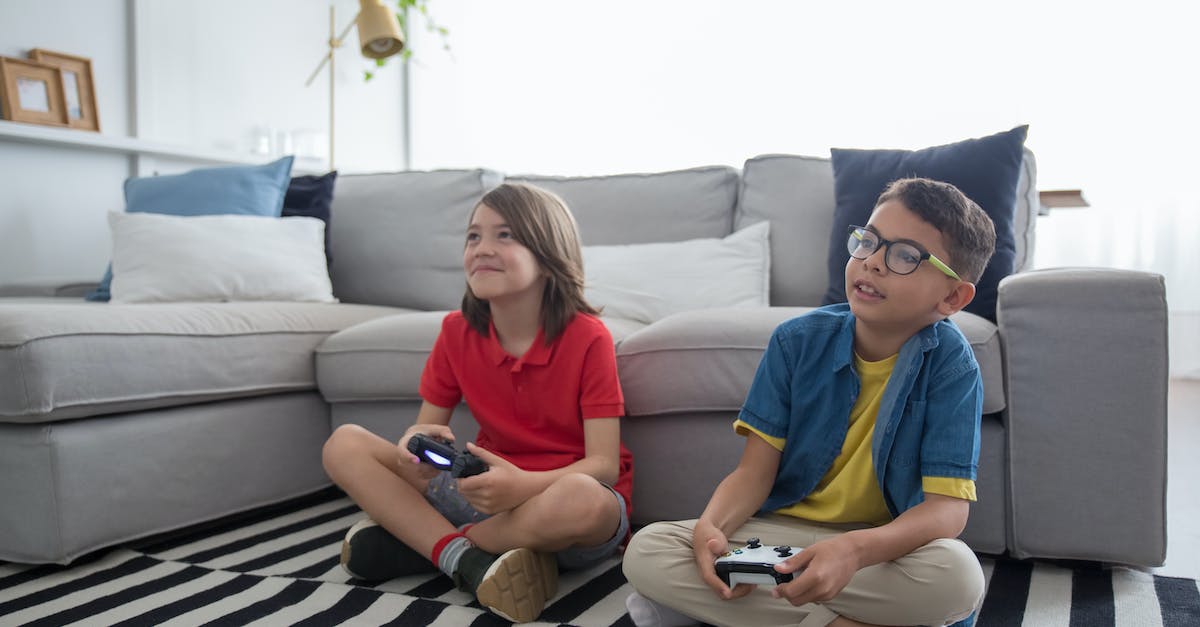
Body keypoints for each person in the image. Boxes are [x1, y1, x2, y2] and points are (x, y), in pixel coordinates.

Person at [622, 177, 995, 627]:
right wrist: (712, 527)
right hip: (783, 534)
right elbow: (753, 473)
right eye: (868, 241)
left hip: (877, 549)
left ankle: (715, 613)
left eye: (905, 256)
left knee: (957, 577)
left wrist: (853, 550)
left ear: (952, 297)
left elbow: (947, 510)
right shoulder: (795, 342)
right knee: (649, 549)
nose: (872, 262)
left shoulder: (952, 366)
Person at [323, 182, 633, 624]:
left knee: (584, 499)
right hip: (481, 491)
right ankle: (467, 559)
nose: (482, 248)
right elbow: (423, 431)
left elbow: (604, 465)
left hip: (559, 505)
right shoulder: (456, 331)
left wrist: (524, 485)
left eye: (505, 235)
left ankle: (435, 545)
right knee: (344, 443)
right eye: (473, 236)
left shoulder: (589, 337)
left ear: (549, 256)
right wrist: (414, 448)